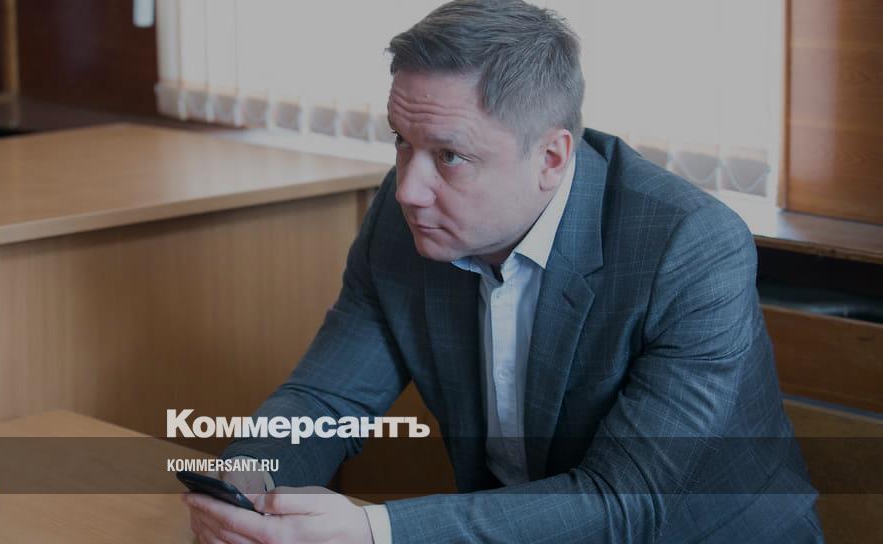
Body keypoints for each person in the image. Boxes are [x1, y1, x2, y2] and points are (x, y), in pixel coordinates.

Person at [182, 1, 824, 542]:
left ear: (551, 157)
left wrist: (376, 531)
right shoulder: (406, 220)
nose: (408, 189)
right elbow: (328, 399)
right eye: (402, 141)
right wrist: (250, 478)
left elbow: (625, 501)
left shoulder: (690, 248)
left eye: (450, 155)